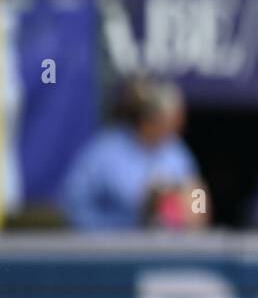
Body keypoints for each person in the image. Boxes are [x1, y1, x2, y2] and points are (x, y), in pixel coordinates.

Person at [61, 77, 207, 230]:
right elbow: (73, 206)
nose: (175, 127)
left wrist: (195, 209)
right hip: (109, 247)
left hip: (166, 247)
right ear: (147, 119)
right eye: (167, 120)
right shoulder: (104, 151)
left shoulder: (176, 151)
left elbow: (198, 199)